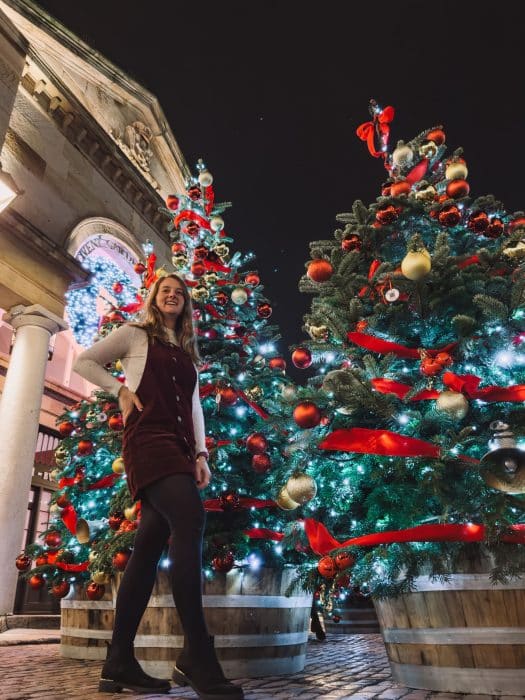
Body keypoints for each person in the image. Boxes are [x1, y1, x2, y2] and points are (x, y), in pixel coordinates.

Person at [73, 273, 243, 699]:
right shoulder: (134, 335)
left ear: (186, 304)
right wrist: (120, 391)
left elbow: (193, 405)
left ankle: (119, 662)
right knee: (190, 518)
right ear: (155, 298)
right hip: (148, 440)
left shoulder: (187, 353)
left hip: (181, 446)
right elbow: (85, 362)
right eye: (165, 290)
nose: (172, 296)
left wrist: (201, 454)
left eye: (180, 292)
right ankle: (198, 657)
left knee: (149, 544)